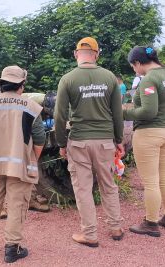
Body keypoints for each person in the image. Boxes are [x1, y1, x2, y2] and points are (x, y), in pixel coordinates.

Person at [54, 37, 124, 248]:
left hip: (79, 141)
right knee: (108, 184)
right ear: (97, 54)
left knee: (83, 188)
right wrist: (119, 139)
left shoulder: (67, 79)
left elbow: (59, 115)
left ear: (76, 54)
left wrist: (61, 143)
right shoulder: (110, 77)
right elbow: (117, 113)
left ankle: (90, 234)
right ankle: (116, 227)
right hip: (105, 141)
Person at [0, 66, 45, 263]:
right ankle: (11, 250)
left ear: (0, 84)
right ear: (22, 85)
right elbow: (39, 139)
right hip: (19, 166)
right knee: (17, 205)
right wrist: (31, 159)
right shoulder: (30, 106)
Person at [123, 46, 165, 237]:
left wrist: (123, 112)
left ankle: (150, 223)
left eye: (133, 66)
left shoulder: (149, 79)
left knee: (150, 181)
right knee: (164, 175)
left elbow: (148, 112)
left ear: (139, 63)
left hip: (150, 133)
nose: (134, 70)